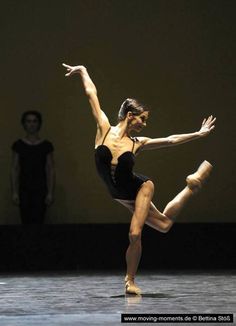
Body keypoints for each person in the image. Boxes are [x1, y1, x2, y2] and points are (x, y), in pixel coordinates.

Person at [62, 63, 216, 295]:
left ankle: (129, 281)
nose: (144, 123)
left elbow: (171, 140)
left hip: (140, 188)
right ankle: (192, 185)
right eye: (142, 119)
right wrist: (83, 70)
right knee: (164, 225)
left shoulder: (138, 143)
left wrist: (198, 133)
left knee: (135, 233)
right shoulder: (103, 128)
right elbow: (91, 94)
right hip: (119, 195)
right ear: (130, 116)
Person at [11, 111, 55, 224]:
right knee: (26, 221)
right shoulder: (19, 145)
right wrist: (15, 191)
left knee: (39, 221)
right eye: (28, 121)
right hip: (24, 188)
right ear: (24, 124)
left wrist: (50, 192)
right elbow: (15, 168)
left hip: (41, 188)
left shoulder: (46, 146)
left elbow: (50, 169)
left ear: (39, 124)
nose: (31, 124)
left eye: (34, 121)